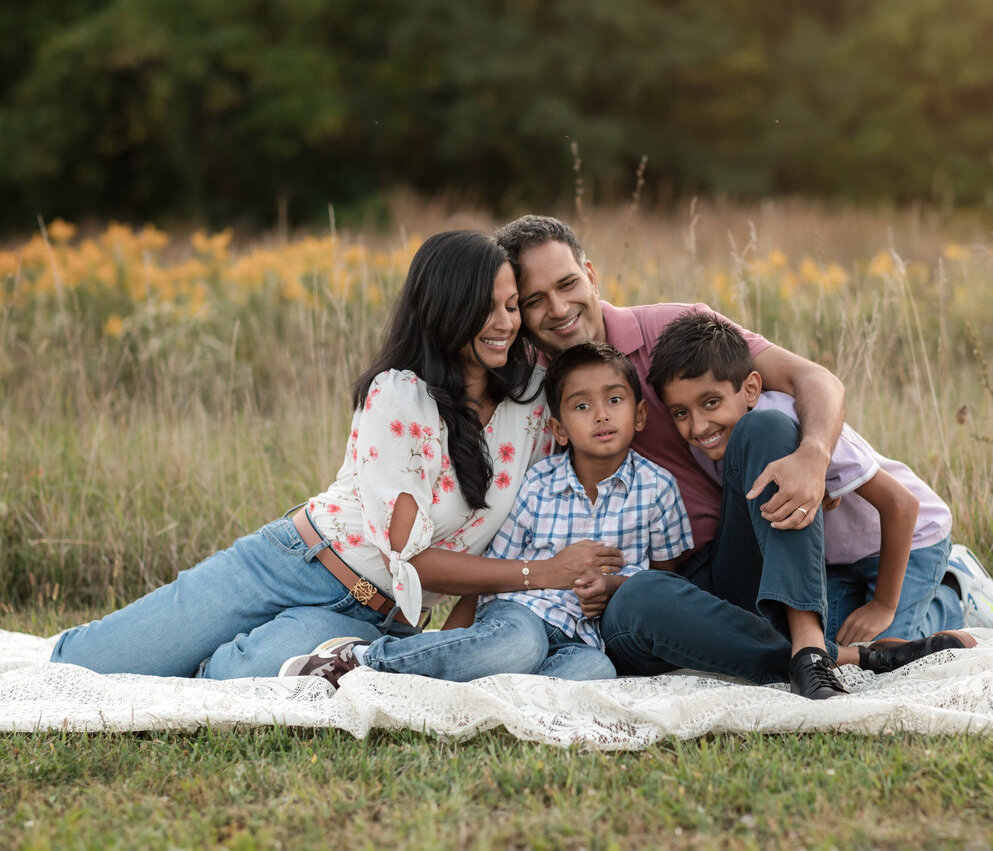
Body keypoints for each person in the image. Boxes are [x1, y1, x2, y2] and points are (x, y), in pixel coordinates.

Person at [50, 231, 624, 679]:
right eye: (486, 308)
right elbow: (411, 560)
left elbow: (594, 352)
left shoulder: (530, 404)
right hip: (296, 563)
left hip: (384, 620)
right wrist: (540, 574)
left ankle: (276, 658)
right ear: (445, 309)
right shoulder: (400, 395)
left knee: (238, 675)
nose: (505, 324)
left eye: (510, 306)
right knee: (81, 667)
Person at [493, 215, 965, 690]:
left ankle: (810, 639)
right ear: (518, 312)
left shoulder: (676, 331)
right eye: (534, 300)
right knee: (637, 601)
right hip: (667, 577)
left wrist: (814, 458)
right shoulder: (535, 391)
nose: (557, 308)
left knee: (766, 426)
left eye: (568, 283)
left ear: (590, 276)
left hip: (754, 541)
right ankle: (835, 655)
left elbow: (813, 379)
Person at [281, 341, 691, 686]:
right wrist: (453, 634)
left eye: (614, 400)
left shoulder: (659, 488)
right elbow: (493, 564)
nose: (601, 414)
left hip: (583, 635)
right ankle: (361, 663)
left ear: (639, 415)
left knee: (596, 671)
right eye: (582, 407)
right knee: (520, 645)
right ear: (559, 430)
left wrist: (614, 586)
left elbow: (661, 581)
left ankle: (482, 698)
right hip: (521, 613)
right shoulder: (539, 484)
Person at [649, 312, 979, 696]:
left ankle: (949, 592)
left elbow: (901, 504)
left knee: (890, 644)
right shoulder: (714, 444)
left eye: (710, 402)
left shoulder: (792, 422)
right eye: (681, 413)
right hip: (836, 558)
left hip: (910, 540)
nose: (698, 426)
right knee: (838, 639)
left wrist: (884, 605)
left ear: (751, 389)